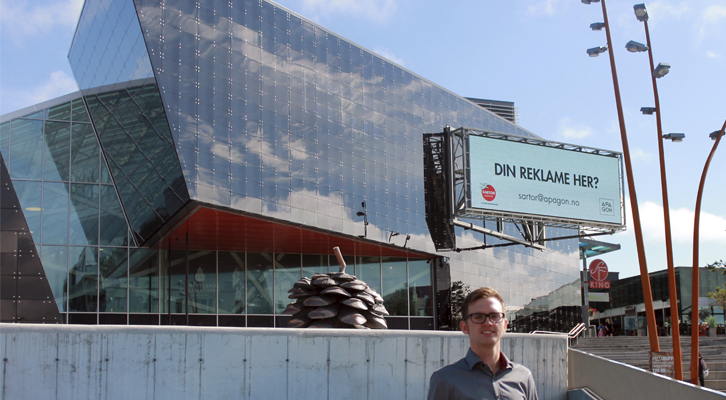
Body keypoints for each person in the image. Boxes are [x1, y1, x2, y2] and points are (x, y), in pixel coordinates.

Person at [427, 287, 538, 399]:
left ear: (505, 325)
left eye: (494, 316)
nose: (488, 323)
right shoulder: (445, 379)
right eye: (478, 317)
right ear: (464, 327)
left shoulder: (524, 377)